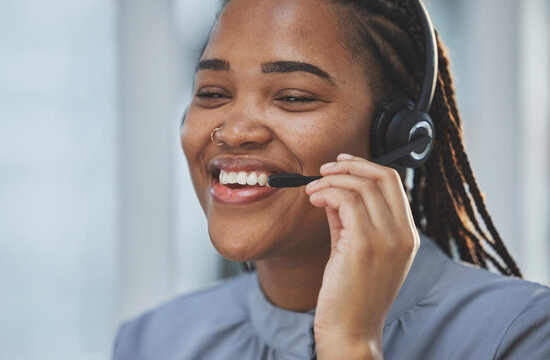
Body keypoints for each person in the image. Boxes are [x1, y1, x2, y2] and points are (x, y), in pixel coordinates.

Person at [112, 0, 550, 359]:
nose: (232, 131)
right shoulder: (153, 342)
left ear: (395, 135)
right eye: (212, 93)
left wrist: (350, 344)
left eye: (293, 97)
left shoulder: (519, 335)